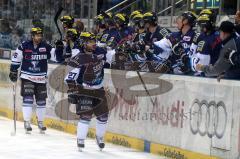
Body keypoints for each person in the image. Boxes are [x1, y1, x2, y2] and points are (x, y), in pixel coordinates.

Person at [9, 27, 60, 133]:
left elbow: (57, 58)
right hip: (27, 77)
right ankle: (27, 122)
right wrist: (13, 70)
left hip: (41, 78)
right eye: (37, 35)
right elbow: (16, 58)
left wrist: (59, 49)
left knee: (41, 101)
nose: (39, 37)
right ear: (32, 36)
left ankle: (40, 122)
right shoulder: (24, 46)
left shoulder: (46, 46)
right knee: (28, 99)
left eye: (40, 35)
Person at [64, 32, 109, 151]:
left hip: (99, 89)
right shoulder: (78, 58)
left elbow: (111, 57)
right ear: (84, 43)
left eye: (94, 41)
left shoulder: (100, 52)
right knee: (86, 116)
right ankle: (81, 139)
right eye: (90, 42)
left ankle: (99, 138)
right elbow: (69, 77)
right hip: (84, 89)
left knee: (103, 116)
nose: (93, 44)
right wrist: (72, 89)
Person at [190, 11, 222, 76]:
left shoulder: (218, 35)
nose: (201, 26)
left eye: (203, 24)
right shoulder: (198, 35)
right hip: (200, 71)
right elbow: (192, 52)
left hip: (213, 71)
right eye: (200, 24)